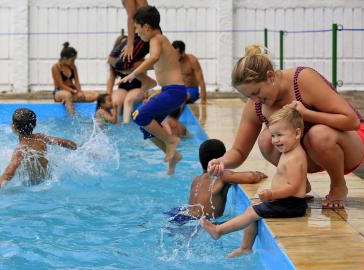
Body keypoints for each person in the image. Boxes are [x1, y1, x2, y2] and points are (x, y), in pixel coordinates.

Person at [207, 44, 364, 209]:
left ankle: (338, 185)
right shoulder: (256, 105)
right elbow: (239, 151)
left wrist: (307, 114)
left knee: (318, 134)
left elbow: (352, 121)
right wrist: (221, 162)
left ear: (270, 76)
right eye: (249, 96)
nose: (254, 100)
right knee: (267, 139)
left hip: (350, 145)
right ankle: (299, 183)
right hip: (311, 155)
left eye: (256, 92)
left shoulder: (302, 79)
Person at [201, 106, 308, 258]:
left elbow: (293, 186)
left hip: (291, 205)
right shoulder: (290, 152)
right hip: (286, 201)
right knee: (253, 210)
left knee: (252, 212)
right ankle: (245, 248)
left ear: (297, 133)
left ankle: (219, 231)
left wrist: (272, 194)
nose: (275, 140)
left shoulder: (294, 158)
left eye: (279, 135)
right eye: (273, 135)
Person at [119, 6, 187, 175]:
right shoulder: (161, 40)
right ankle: (173, 156)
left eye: (136, 28)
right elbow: (159, 64)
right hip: (170, 91)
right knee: (146, 127)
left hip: (174, 91)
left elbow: (154, 57)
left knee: (140, 115)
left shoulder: (156, 39)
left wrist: (134, 73)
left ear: (146, 27)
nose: (136, 32)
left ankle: (171, 141)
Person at [165, 139, 267, 225]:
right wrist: (259, 174)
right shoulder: (221, 176)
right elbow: (251, 177)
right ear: (222, 159)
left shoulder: (196, 179)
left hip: (183, 216)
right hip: (201, 222)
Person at [0, 108, 77, 192]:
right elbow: (65, 143)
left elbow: (9, 172)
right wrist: (78, 147)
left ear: (13, 126)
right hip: (49, 180)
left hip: (35, 187)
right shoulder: (41, 138)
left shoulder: (20, 150)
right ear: (34, 125)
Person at [51, 42, 99, 115]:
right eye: (72, 60)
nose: (73, 62)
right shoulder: (56, 67)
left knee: (96, 95)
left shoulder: (73, 66)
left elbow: (77, 82)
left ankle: (91, 114)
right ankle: (72, 118)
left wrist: (79, 92)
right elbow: (60, 84)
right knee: (67, 95)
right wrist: (73, 91)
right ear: (64, 58)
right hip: (60, 92)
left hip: (73, 92)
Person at [107, 35, 146, 123]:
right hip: (123, 87)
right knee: (115, 101)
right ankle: (115, 125)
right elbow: (111, 79)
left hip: (137, 87)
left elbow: (145, 79)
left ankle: (126, 125)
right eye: (122, 45)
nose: (124, 47)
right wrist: (108, 95)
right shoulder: (115, 60)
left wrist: (144, 94)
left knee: (128, 100)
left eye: (126, 45)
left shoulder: (139, 59)